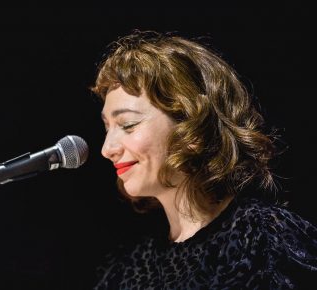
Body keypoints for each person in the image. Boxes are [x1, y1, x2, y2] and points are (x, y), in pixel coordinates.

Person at [89, 30, 317, 289]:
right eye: (108, 128)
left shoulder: (262, 238)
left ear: (194, 124)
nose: (107, 149)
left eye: (128, 125)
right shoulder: (124, 268)